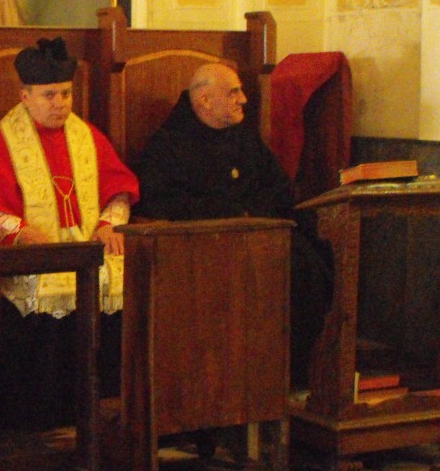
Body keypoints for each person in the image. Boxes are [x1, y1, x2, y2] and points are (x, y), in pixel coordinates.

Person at [0, 37, 139, 430]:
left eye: (66, 94)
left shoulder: (87, 136)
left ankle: (109, 411)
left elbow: (118, 187)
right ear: (25, 95)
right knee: (46, 287)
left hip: (87, 247)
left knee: (125, 282)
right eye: (49, 95)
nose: (60, 104)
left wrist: (107, 224)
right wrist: (15, 229)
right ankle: (44, 419)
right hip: (32, 254)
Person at [133, 62, 334, 388]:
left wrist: (255, 214)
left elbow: (281, 189)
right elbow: (161, 204)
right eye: (233, 93)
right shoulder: (169, 145)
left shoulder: (244, 139)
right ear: (204, 100)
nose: (243, 99)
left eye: (240, 90)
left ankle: (294, 378)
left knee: (315, 261)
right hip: (207, 248)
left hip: (265, 238)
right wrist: (234, 214)